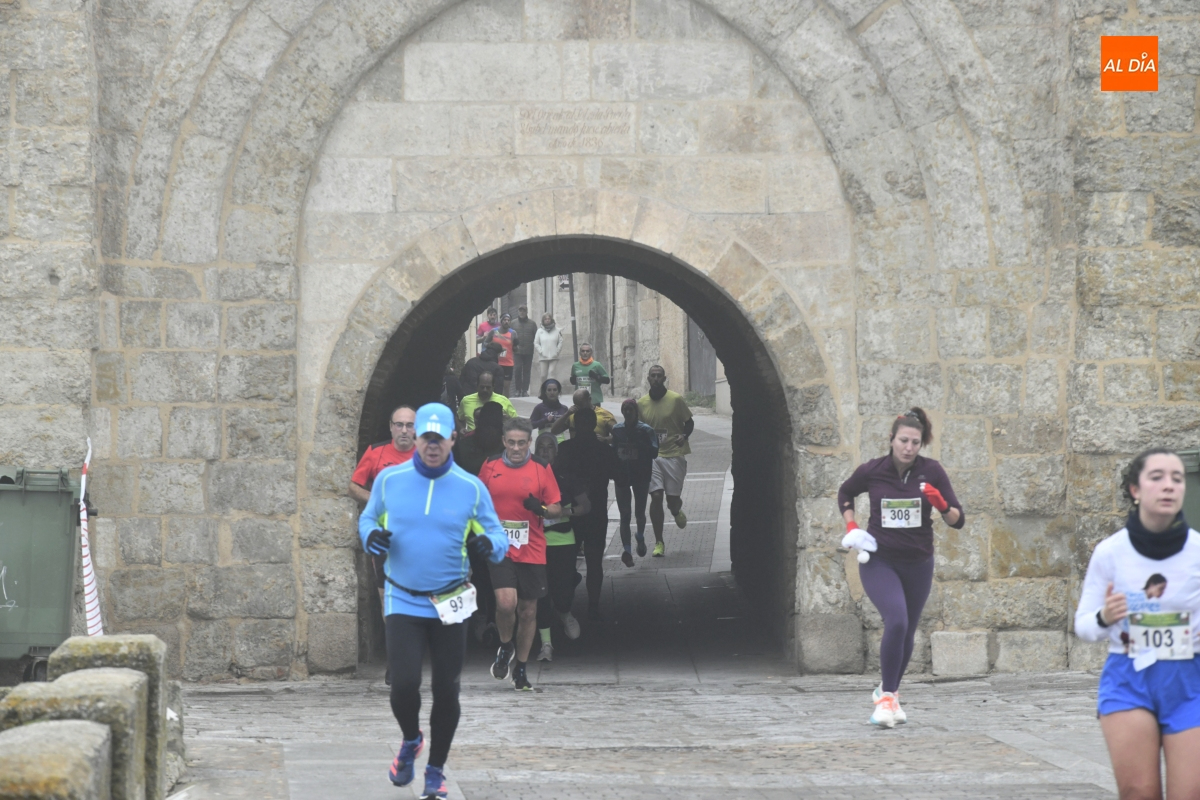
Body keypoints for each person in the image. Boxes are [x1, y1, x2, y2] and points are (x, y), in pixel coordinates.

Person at [358, 403, 509, 799]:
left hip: (450, 601)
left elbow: (497, 536)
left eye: (440, 439)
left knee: (446, 689)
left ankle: (435, 771)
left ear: (453, 439)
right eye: (426, 437)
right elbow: (368, 518)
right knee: (403, 684)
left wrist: (489, 545)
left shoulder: (470, 487)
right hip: (403, 598)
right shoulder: (390, 480)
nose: (432, 445)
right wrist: (371, 536)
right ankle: (411, 740)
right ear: (415, 437)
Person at [1075, 448, 1200, 799]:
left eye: (1177, 478)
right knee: (1138, 792)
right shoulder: (1110, 552)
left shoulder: (1197, 551)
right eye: (1157, 477)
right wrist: (1105, 616)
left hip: (1190, 681)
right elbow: (1083, 625)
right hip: (1129, 678)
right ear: (1135, 489)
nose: (1169, 486)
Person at [836, 407, 964, 729]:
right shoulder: (873, 470)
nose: (908, 448)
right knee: (896, 619)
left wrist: (942, 505)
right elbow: (846, 492)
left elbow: (958, 520)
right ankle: (886, 699)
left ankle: (889, 691)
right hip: (879, 560)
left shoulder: (932, 471)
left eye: (915, 442)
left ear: (922, 444)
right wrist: (851, 525)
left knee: (907, 629)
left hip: (919, 562)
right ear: (891, 439)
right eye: (903, 441)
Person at [479, 417, 562, 691]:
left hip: (532, 548)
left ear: (529, 443)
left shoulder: (541, 468)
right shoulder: (490, 465)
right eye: (511, 443)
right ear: (504, 441)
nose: (516, 448)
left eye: (521, 443)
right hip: (500, 546)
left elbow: (556, 507)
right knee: (505, 604)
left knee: (527, 611)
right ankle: (506, 646)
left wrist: (540, 508)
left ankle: (522, 669)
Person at [349, 405, 417, 670]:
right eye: (399, 424)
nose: (404, 430)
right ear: (391, 427)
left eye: (409, 425)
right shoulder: (376, 452)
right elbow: (354, 487)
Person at [554, 407, 622, 621]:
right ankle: (593, 605)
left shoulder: (565, 449)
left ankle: (565, 605)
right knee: (594, 561)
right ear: (594, 424)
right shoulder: (604, 450)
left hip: (570, 512)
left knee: (566, 562)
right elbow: (620, 476)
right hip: (596, 510)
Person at [452, 401, 506, 642]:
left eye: (495, 428)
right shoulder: (464, 446)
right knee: (475, 571)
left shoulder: (507, 447)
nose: (490, 433)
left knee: (499, 571)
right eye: (487, 428)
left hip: (501, 519)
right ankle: (477, 617)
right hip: (469, 520)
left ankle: (495, 617)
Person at [533, 433, 585, 660]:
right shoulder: (528, 477)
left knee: (562, 593)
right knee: (541, 594)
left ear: (556, 451)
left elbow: (586, 505)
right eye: (541, 447)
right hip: (536, 543)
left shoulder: (566, 477)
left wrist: (564, 511)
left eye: (550, 447)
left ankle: (565, 612)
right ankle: (546, 644)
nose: (545, 451)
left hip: (564, 541)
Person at [638, 366, 694, 557]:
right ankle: (659, 541)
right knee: (656, 497)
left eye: (659, 376)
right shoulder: (641, 403)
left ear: (664, 378)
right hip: (652, 456)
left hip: (674, 454)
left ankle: (676, 511)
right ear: (648, 379)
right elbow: (637, 428)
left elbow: (689, 422)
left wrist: (684, 436)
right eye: (652, 376)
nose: (655, 379)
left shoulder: (676, 399)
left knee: (672, 501)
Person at [611, 399, 659, 566]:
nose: (628, 412)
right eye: (625, 409)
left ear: (636, 412)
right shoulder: (617, 430)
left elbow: (655, 452)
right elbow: (613, 451)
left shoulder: (646, 430)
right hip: (622, 475)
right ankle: (627, 551)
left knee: (639, 512)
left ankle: (640, 536)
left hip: (641, 475)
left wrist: (639, 444)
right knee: (625, 514)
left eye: (630, 409)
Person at [549, 388, 617, 443]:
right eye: (576, 405)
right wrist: (566, 414)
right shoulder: (571, 414)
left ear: (589, 400)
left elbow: (619, 436)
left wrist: (605, 439)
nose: (579, 408)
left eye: (581, 405)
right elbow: (554, 431)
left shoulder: (605, 415)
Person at [513, 306, 538, 397]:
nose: (522, 312)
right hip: (517, 351)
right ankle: (517, 390)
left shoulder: (532, 324)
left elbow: (536, 337)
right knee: (518, 369)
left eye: (524, 311)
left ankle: (524, 390)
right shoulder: (513, 323)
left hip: (528, 351)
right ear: (518, 312)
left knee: (527, 371)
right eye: (520, 310)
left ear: (527, 312)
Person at [487, 313, 516, 391]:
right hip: (495, 362)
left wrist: (516, 346)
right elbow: (486, 343)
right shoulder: (494, 331)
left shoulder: (513, 333)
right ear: (501, 321)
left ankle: (505, 399)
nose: (506, 322)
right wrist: (493, 347)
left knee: (506, 386)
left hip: (508, 363)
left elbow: (516, 349)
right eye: (505, 320)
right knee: (495, 385)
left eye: (508, 320)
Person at [534, 313, 563, 385]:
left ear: (551, 320)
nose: (547, 320)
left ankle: (551, 388)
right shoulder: (539, 331)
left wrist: (557, 351)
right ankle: (543, 389)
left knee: (551, 373)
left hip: (554, 356)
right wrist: (541, 351)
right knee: (543, 375)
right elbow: (536, 343)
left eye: (549, 319)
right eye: (545, 319)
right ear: (543, 320)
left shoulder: (557, 330)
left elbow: (560, 341)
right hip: (543, 357)